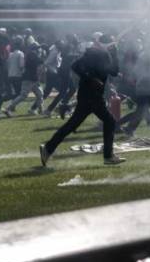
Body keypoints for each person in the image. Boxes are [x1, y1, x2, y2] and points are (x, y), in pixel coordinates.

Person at [40, 34, 125, 166]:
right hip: (93, 95)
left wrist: (91, 76)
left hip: (88, 95)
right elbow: (112, 71)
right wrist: (91, 77)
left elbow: (111, 71)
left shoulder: (98, 53)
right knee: (110, 122)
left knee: (72, 125)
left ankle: (48, 148)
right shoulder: (100, 54)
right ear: (109, 44)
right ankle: (108, 156)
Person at [6, 42, 45, 116]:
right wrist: (43, 53)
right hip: (29, 78)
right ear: (35, 49)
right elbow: (40, 61)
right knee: (23, 95)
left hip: (33, 79)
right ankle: (8, 108)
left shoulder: (32, 54)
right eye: (37, 48)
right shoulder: (32, 54)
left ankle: (37, 110)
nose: (39, 49)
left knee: (40, 95)